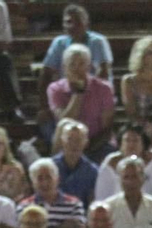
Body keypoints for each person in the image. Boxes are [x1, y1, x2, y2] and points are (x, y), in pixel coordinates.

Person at [39, 4, 112, 134]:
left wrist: (96, 94)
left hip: (94, 92)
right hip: (65, 92)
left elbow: (104, 70)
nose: (73, 26)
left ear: (86, 23)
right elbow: (46, 72)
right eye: (68, 22)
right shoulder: (59, 43)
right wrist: (44, 106)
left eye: (78, 22)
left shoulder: (98, 41)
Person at [48, 45, 115, 160]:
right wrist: (78, 93)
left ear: (89, 67)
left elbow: (106, 129)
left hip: (97, 143)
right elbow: (65, 121)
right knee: (63, 127)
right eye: (72, 64)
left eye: (81, 64)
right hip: (68, 142)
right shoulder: (55, 89)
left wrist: (86, 148)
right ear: (64, 68)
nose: (76, 69)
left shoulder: (104, 88)